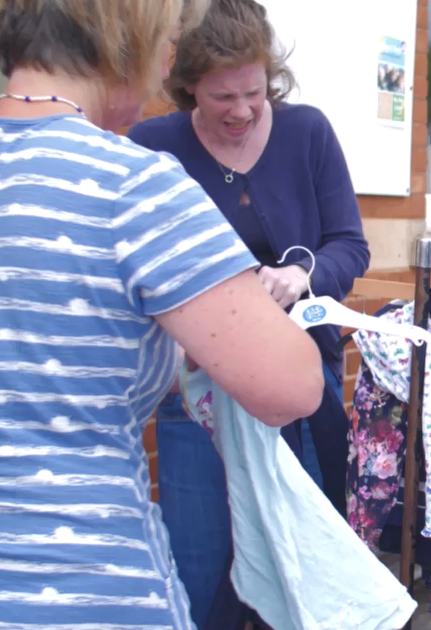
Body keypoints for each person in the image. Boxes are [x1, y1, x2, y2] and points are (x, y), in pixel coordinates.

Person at [0, 1, 325, 628]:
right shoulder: (134, 184)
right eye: (169, 43)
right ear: (131, 37)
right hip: (85, 588)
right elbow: (291, 387)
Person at [124, 0, 370, 626]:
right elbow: (130, 265)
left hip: (299, 388)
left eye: (253, 93)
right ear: (187, 89)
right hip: (197, 396)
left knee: (302, 559)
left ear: (271, 76)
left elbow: (350, 243)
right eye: (219, 97)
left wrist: (303, 273)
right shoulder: (153, 145)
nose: (239, 110)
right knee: (202, 564)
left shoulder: (308, 132)